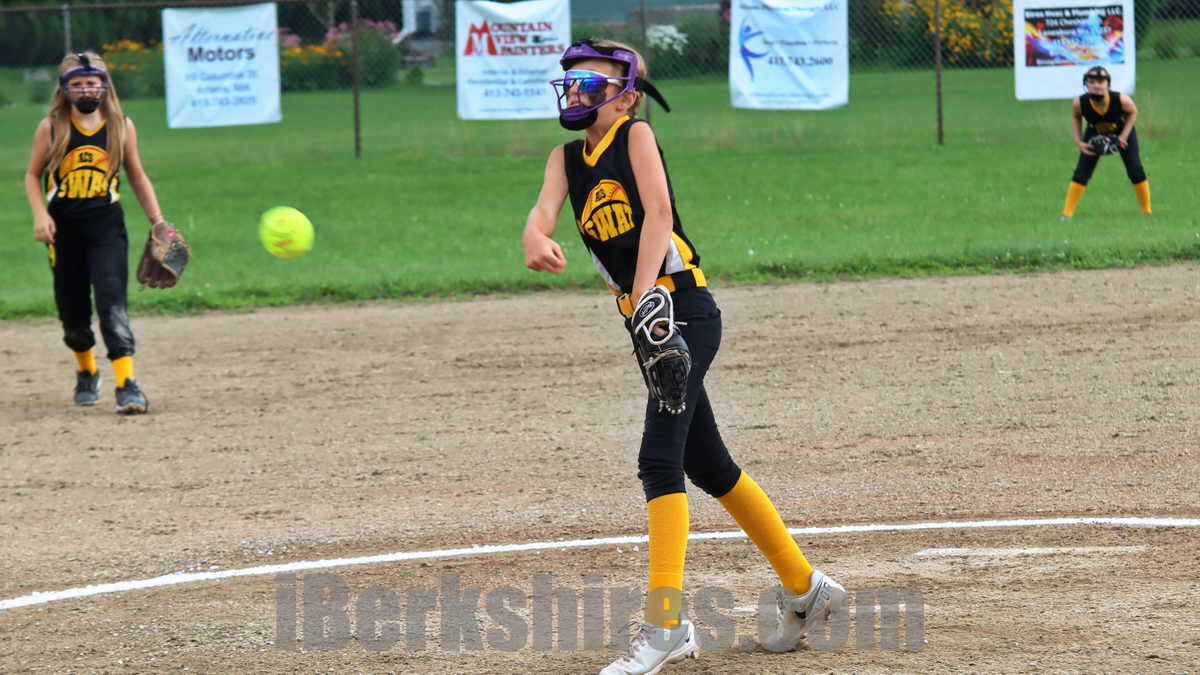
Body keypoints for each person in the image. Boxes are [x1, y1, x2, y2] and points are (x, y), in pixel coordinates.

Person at [522, 39, 847, 674]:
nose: (578, 90)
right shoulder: (564, 158)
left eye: (592, 81)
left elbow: (659, 213)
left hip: (682, 312)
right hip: (648, 322)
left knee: (658, 461)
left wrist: (645, 294)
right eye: (572, 80)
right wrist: (534, 235)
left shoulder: (636, 135)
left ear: (626, 97)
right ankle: (806, 588)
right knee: (708, 463)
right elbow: (542, 213)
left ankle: (666, 626)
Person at [23, 51, 167, 414]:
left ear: (104, 85)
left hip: (106, 228)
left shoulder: (120, 126)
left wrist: (158, 221)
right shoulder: (51, 127)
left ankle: (126, 383)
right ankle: (87, 371)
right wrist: (40, 215)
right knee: (72, 311)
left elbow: (137, 175)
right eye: (77, 83)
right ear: (64, 88)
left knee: (111, 302)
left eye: (92, 82)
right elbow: (32, 175)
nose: (86, 89)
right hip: (63, 232)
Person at [1061, 65, 1151, 219]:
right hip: (1094, 132)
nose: (1096, 85)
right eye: (1092, 81)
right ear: (1086, 84)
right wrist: (1079, 141)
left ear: (1108, 84)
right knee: (1082, 173)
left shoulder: (1121, 99)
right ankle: (1066, 214)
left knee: (1135, 169)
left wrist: (1123, 137)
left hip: (1122, 132)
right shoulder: (1080, 103)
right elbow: (1076, 117)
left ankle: (1147, 211)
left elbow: (1133, 112)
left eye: (1101, 81)